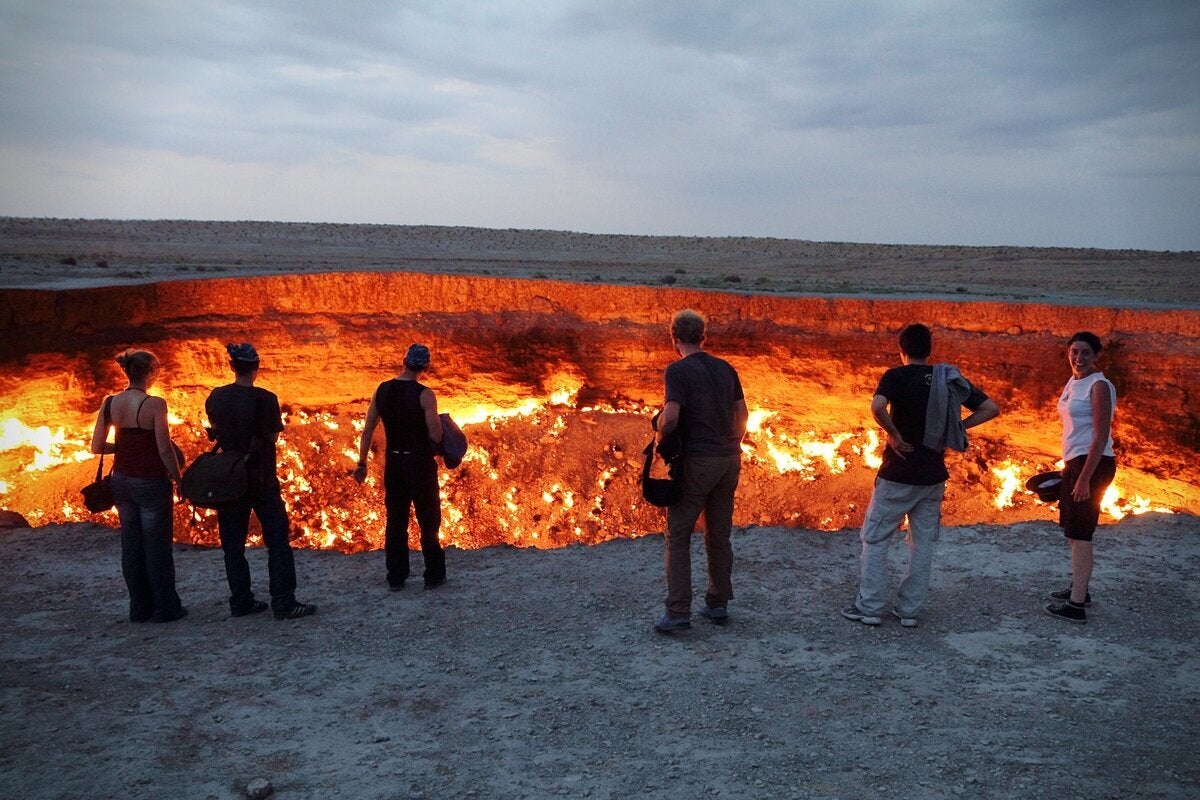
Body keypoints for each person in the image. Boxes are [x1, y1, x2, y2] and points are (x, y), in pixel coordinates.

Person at [842, 323, 1000, 627]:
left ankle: (871, 607)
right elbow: (991, 408)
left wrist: (893, 432)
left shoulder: (896, 376)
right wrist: (956, 429)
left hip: (898, 475)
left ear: (901, 350)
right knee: (922, 543)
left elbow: (877, 406)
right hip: (932, 477)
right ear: (929, 350)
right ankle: (909, 611)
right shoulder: (947, 378)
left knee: (875, 539)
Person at [652, 310, 748, 633]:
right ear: (702, 337)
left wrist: (659, 437)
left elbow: (672, 415)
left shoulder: (677, 371)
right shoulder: (726, 369)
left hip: (698, 461)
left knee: (678, 535)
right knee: (718, 536)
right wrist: (733, 443)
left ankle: (678, 612)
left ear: (675, 338)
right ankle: (717, 605)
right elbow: (743, 413)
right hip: (729, 459)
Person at [205, 343, 315, 620]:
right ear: (256, 367)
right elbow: (273, 436)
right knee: (277, 541)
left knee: (233, 545)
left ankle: (241, 601)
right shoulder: (265, 399)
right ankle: (284, 602)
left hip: (229, 480)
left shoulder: (216, 397)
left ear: (232, 366)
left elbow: (216, 430)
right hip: (261, 478)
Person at [90, 349, 186, 623]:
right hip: (151, 482)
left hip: (121, 481)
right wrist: (178, 479)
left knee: (131, 546)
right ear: (151, 374)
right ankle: (166, 609)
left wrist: (123, 447)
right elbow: (165, 449)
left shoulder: (110, 403)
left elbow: (96, 446)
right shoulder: (155, 404)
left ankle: (139, 608)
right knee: (157, 547)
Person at [353, 343, 446, 590]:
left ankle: (396, 576)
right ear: (426, 366)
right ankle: (433, 575)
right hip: (419, 464)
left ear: (403, 361)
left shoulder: (382, 390)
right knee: (429, 520)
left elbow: (367, 430)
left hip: (394, 463)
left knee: (396, 521)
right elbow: (436, 435)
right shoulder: (425, 394)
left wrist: (361, 463)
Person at [1044, 331, 1117, 624]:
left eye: (1086, 352)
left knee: (1081, 533)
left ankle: (1076, 606)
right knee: (1073, 532)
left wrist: (1084, 479)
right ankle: (1080, 589)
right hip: (1075, 463)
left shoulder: (1099, 386)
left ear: (1096, 356)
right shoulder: (1074, 382)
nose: (1079, 357)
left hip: (1093, 464)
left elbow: (1100, 437)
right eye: (1075, 351)